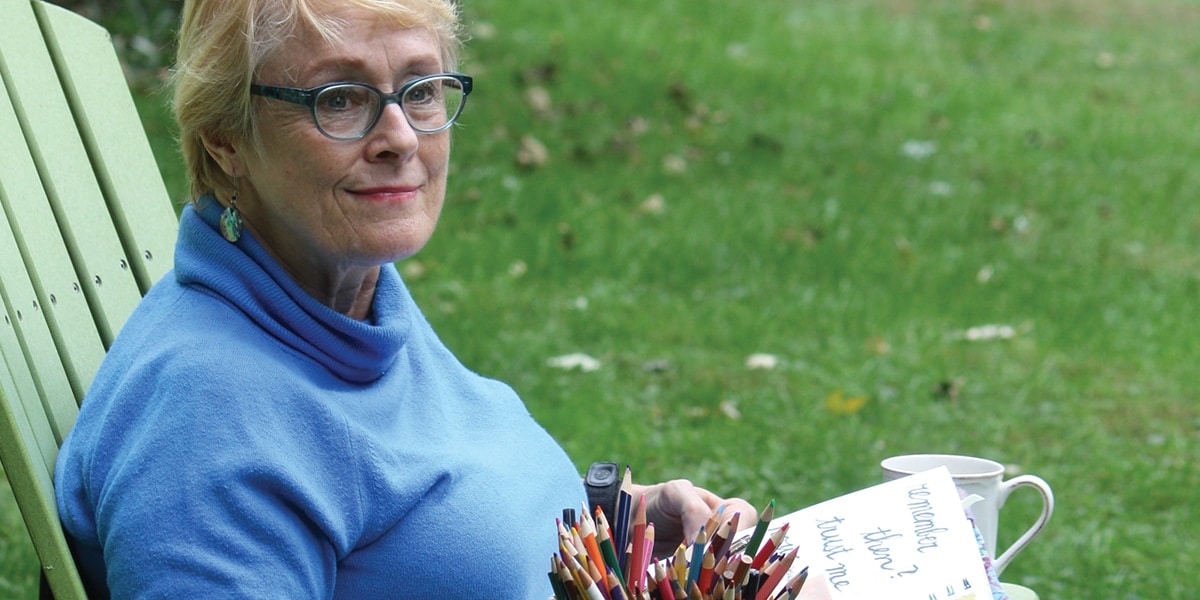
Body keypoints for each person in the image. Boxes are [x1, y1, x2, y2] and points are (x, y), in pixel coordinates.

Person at [53, 0, 756, 597]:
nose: (398, 138)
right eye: (340, 99)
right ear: (225, 139)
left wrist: (619, 523)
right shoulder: (205, 432)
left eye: (420, 90)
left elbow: (423, 521)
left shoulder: (341, 298)